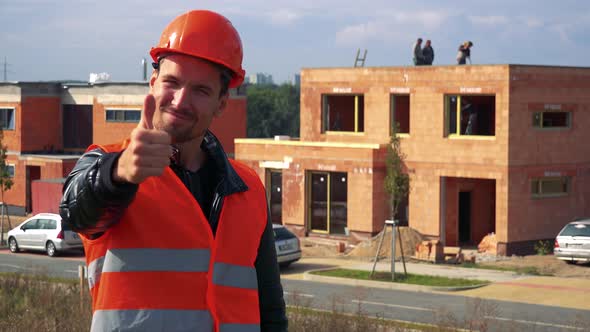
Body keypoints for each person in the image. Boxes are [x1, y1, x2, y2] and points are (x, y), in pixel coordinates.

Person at [59, 10, 288, 332]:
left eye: (201, 90)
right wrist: (120, 174)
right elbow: (76, 213)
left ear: (222, 103)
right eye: (172, 82)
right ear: (153, 83)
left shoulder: (248, 188)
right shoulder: (106, 162)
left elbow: (270, 308)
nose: (181, 101)